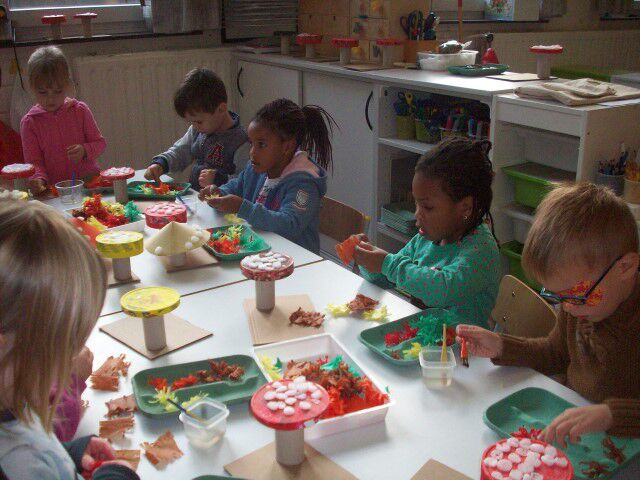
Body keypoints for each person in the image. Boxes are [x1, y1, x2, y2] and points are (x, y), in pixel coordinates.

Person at [457, 183, 640, 446]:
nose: (567, 307)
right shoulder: (577, 306)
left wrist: (611, 415)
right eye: (557, 296)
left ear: (625, 268)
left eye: (575, 295)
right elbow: (555, 353)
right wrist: (502, 346)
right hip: (578, 431)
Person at [0, 200, 138, 479]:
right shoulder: (18, 462)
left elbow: (33, 440)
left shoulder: (13, 402)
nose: (66, 365)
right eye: (61, 352)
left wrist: (68, 453)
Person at [354, 137, 501, 327]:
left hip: (461, 344)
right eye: (416, 203)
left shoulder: (481, 250)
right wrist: (368, 260)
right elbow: (385, 278)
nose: (417, 214)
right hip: (421, 338)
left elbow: (442, 289)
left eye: (428, 207)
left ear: (465, 207)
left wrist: (387, 264)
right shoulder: (425, 240)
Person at [199, 98, 336, 253]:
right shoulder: (257, 167)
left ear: (287, 147)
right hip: (260, 252)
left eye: (261, 145)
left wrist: (242, 207)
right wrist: (219, 192)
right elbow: (237, 185)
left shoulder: (303, 183)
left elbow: (289, 225)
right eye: (251, 143)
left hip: (296, 260)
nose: (252, 152)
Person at [145, 68, 248, 191]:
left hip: (221, 201)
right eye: (192, 122)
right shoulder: (197, 130)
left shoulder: (241, 141)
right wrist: (161, 164)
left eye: (199, 121)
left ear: (221, 109)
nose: (195, 126)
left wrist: (218, 179)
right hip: (196, 197)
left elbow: (245, 181)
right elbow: (180, 152)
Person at [21, 46, 106, 194]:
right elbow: (34, 162)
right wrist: (38, 179)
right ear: (32, 89)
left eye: (58, 91)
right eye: (43, 92)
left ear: (67, 84)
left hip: (89, 182)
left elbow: (100, 143)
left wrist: (84, 150)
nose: (51, 99)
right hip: (54, 189)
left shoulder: (80, 110)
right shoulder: (29, 123)